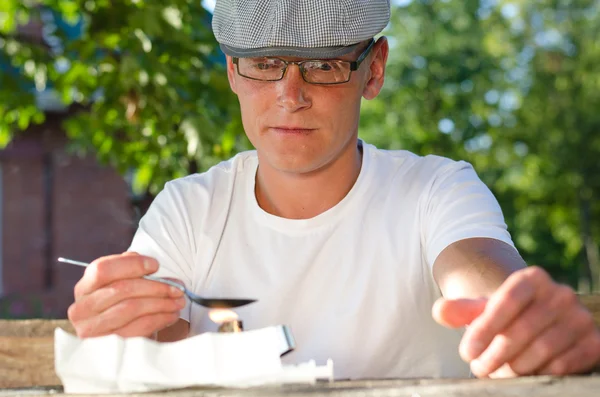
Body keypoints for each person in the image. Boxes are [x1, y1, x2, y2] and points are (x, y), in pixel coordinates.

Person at [67, 0, 600, 379]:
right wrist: (117, 339)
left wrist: (516, 318)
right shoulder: (188, 209)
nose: (290, 94)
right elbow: (152, 358)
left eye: (325, 65)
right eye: (265, 64)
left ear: (375, 70)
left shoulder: (436, 189)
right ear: (232, 70)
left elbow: (479, 275)